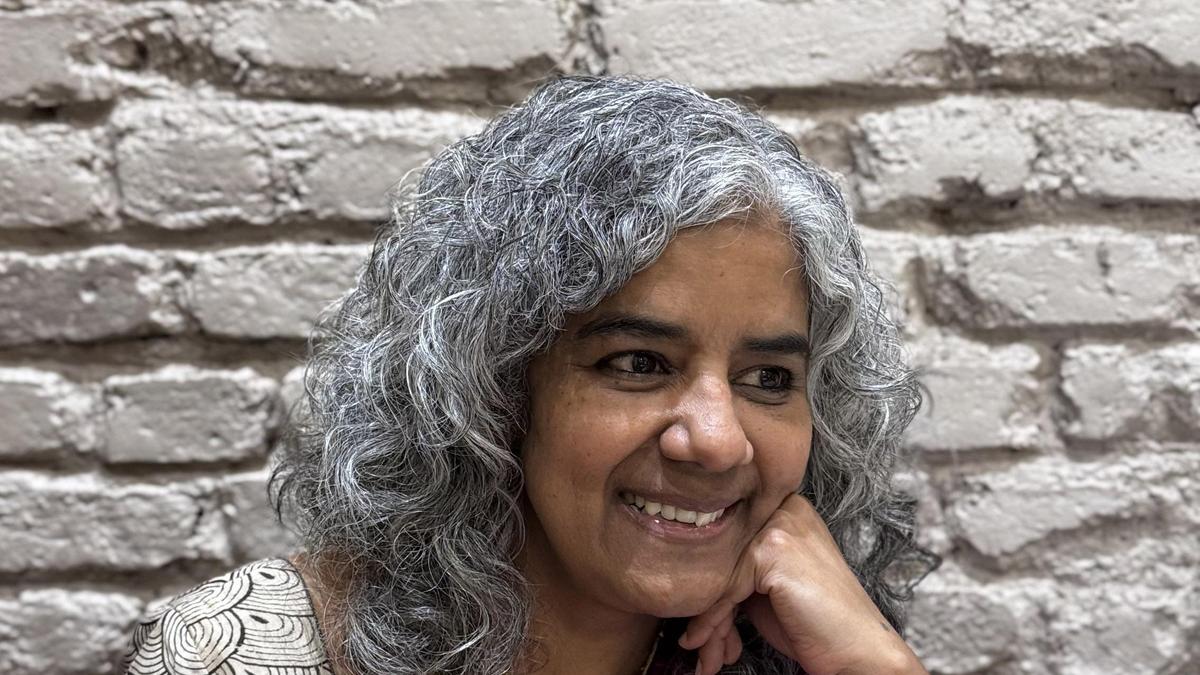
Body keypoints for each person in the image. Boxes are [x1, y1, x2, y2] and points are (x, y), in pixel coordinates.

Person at [124, 75, 937, 675]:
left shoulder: (808, 648)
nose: (719, 440)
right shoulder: (239, 651)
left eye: (768, 378)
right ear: (496, 384)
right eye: (639, 363)